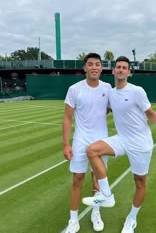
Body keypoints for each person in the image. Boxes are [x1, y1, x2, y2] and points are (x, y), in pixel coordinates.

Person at [81, 56, 156, 233]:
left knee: (139, 182)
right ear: (113, 71)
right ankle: (106, 194)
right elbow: (103, 110)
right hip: (122, 139)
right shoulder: (111, 93)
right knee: (92, 150)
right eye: (118, 67)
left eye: (124, 67)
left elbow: (150, 113)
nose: (121, 70)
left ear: (129, 72)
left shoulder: (137, 91)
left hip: (140, 143)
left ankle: (132, 218)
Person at [62, 53, 111, 232]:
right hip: (80, 141)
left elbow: (111, 109)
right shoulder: (74, 89)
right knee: (77, 180)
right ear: (85, 68)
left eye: (97, 64)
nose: (94, 67)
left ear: (101, 67)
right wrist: (66, 144)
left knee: (98, 180)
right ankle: (73, 220)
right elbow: (67, 118)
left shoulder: (107, 88)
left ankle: (95, 212)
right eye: (90, 64)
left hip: (101, 142)